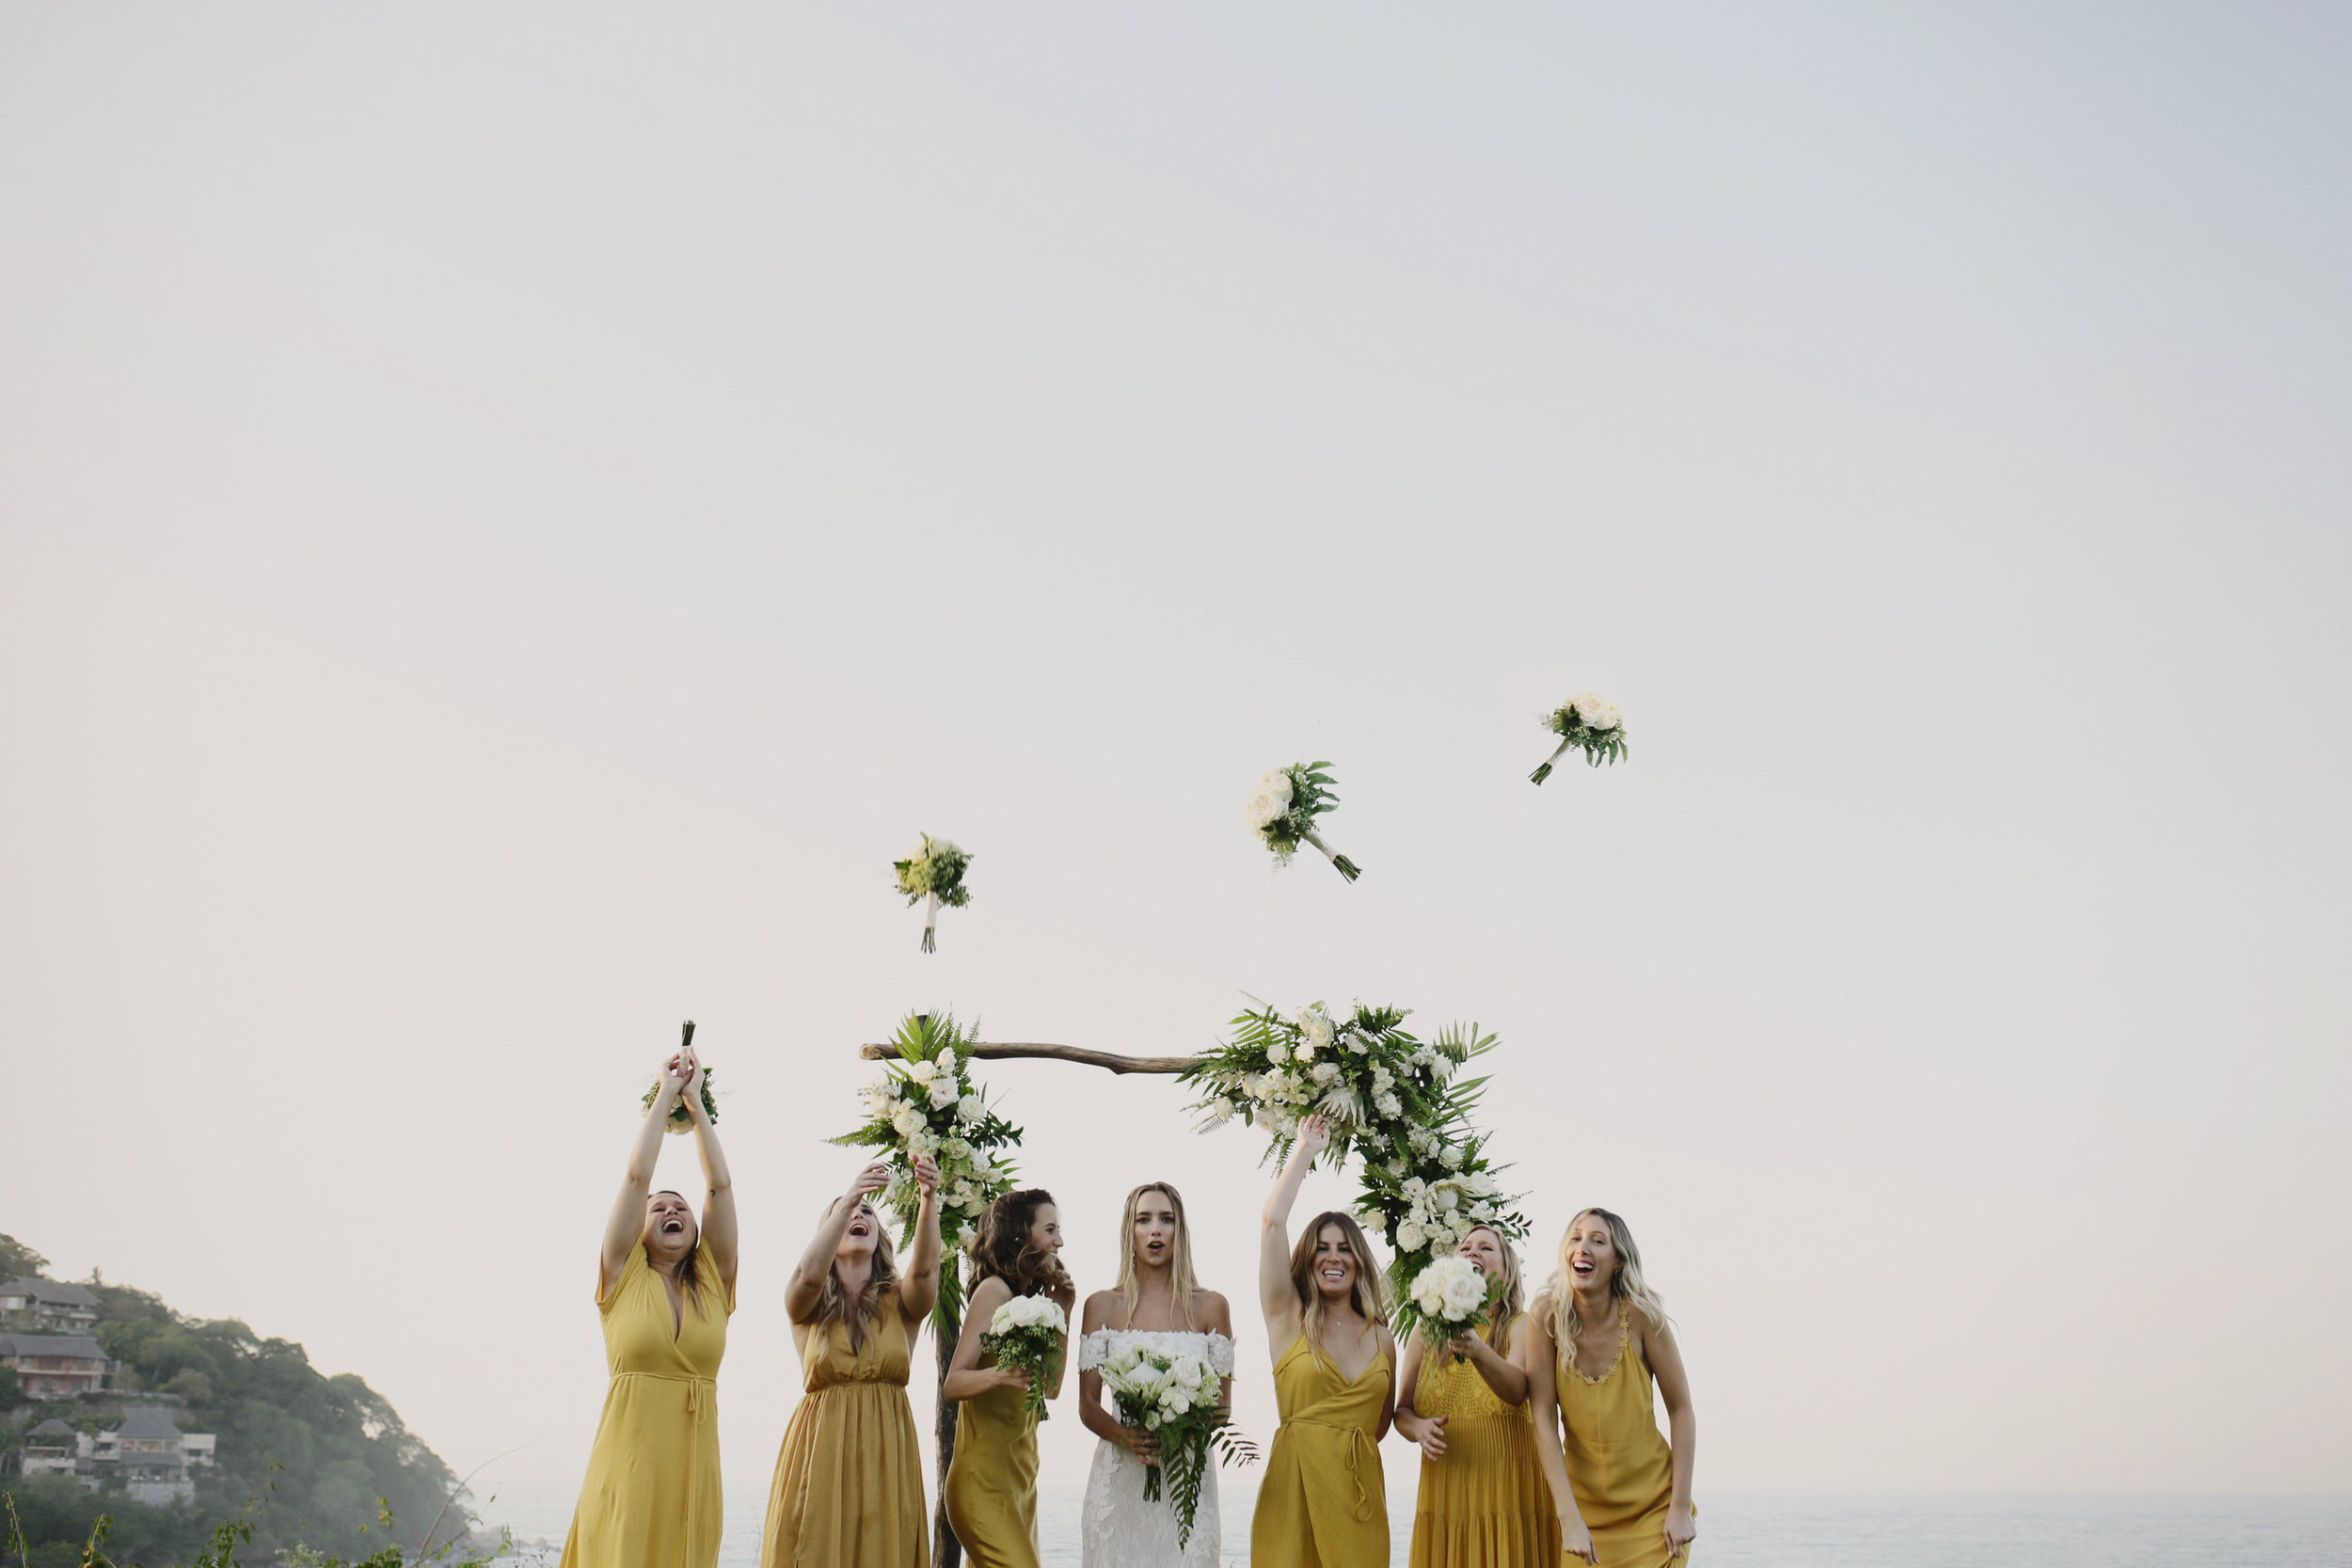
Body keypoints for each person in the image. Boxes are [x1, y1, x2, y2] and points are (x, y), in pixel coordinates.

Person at [560, 1041, 738, 1568]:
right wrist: (665, 1093)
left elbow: (720, 1186)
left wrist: (697, 1102)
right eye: (657, 1209)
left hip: (694, 1465)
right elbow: (637, 1178)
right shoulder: (621, 1275)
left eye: (679, 1206)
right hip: (628, 1460)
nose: (669, 1210)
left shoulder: (714, 1279)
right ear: (638, 1230)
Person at [759, 1152, 944, 1568]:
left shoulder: (901, 1301)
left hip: (887, 1450)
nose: (859, 1214)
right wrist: (847, 1200)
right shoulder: (806, 1304)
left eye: (868, 1212)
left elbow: (927, 1271)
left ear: (880, 1234)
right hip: (821, 1449)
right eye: (847, 1212)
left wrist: (930, 1198)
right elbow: (808, 1276)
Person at [1249, 1115, 1396, 1568]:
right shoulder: (1287, 1318)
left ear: (1358, 1260)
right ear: (1308, 1257)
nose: (1333, 1258)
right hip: (1293, 1491)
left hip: (1359, 1499)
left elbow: (1379, 1426)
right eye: (1323, 1247)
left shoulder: (1381, 1335)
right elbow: (1273, 1222)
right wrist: (1305, 1151)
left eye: (1345, 1248)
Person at [1075, 1181, 1238, 1568]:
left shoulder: (1212, 1307)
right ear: (1128, 1231)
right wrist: (1126, 1436)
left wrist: (1180, 1424)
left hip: (1187, 1485)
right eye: (1143, 1219)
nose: (1155, 1230)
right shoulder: (1101, 1306)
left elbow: (1222, 1408)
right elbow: (1086, 1405)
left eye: (1166, 1219)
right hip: (1121, 1481)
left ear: (1179, 1231)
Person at [1526, 1209, 1698, 1566]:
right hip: (1583, 1518)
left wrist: (1680, 1508)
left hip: (1654, 1515)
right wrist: (1568, 1517)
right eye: (1575, 1238)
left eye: (1597, 1241)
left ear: (1618, 1260)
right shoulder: (1546, 1317)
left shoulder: (1643, 1317)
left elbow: (1681, 1409)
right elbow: (1542, 1417)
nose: (1582, 1247)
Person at [1391, 1226, 1560, 1568]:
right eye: (1465, 1248)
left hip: (1507, 1494)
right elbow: (1402, 1412)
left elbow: (1516, 1390)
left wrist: (1479, 1350)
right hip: (1446, 1494)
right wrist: (1419, 1429)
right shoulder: (1426, 1331)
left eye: (1486, 1248)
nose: (1473, 1252)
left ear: (1507, 1270)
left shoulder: (1521, 1325)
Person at [941, 1188, 1076, 1568]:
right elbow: (953, 1384)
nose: (1059, 1241)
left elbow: (1050, 1388)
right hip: (982, 1484)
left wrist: (1063, 1311)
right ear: (1021, 1235)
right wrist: (999, 1375)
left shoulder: (1031, 1305)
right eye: (1050, 1229)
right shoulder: (993, 1292)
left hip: (1020, 1481)